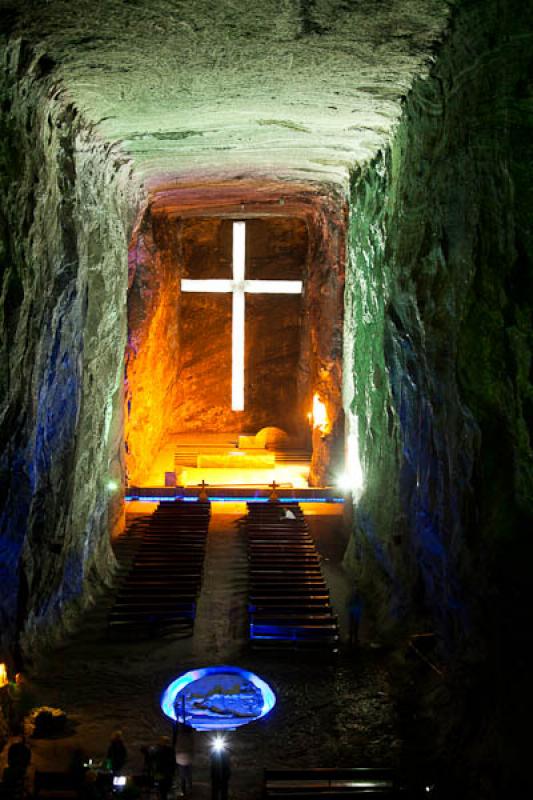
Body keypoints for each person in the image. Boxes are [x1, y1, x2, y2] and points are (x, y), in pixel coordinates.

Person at [173, 722, 194, 798]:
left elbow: (176, 746)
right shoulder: (189, 737)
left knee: (182, 777)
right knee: (188, 776)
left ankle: (183, 791)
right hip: (188, 757)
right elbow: (192, 745)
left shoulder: (179, 736)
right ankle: (190, 790)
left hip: (180, 758)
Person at [152, 735, 175, 799]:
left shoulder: (158, 750)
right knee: (164, 790)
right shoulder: (170, 750)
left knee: (161, 789)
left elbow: (155, 759)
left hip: (161, 772)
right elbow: (173, 762)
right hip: (167, 773)